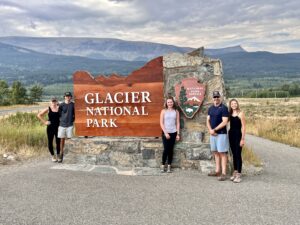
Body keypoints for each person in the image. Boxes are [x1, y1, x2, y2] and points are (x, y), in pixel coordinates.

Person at [207, 91, 229, 181]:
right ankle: (217, 171)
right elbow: (207, 120)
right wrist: (210, 130)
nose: (216, 98)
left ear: (220, 97)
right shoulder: (210, 108)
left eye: (217, 97)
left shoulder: (224, 108)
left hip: (221, 134)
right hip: (212, 134)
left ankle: (223, 173)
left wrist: (214, 130)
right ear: (212, 98)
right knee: (215, 152)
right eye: (214, 97)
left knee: (222, 153)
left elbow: (225, 121)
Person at [160, 96, 180, 173]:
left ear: (173, 103)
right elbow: (161, 123)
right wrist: (165, 133)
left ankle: (169, 166)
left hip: (173, 132)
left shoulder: (176, 111)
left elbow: (177, 123)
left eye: (171, 102)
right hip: (165, 132)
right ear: (166, 103)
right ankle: (162, 165)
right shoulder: (163, 111)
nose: (170, 103)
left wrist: (178, 134)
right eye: (168, 102)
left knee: (171, 150)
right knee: (166, 149)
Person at [37, 97, 60, 162]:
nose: (54, 102)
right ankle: (53, 156)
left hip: (58, 127)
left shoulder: (59, 108)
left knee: (58, 141)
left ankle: (58, 155)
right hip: (50, 127)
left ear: (57, 102)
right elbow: (39, 115)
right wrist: (45, 122)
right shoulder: (48, 108)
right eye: (52, 101)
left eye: (55, 101)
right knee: (50, 142)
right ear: (50, 102)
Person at [228, 99, 246, 183]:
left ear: (237, 104)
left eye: (235, 103)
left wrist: (242, 139)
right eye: (232, 103)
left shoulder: (240, 113)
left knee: (238, 154)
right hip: (231, 135)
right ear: (230, 105)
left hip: (238, 135)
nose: (234, 105)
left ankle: (239, 174)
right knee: (234, 154)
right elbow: (224, 122)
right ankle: (235, 171)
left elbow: (244, 127)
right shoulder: (230, 114)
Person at [57, 92, 75, 163]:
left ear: (71, 97)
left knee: (69, 139)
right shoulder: (61, 105)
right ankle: (61, 154)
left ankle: (70, 154)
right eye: (66, 96)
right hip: (62, 125)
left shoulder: (73, 105)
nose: (67, 97)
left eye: (69, 96)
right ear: (64, 97)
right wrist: (60, 121)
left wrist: (72, 120)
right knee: (62, 139)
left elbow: (75, 114)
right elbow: (58, 114)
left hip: (70, 124)